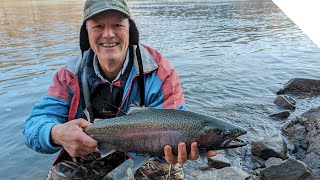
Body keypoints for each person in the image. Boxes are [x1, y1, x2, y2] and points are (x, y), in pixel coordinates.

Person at [23, 0, 216, 179]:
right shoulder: (69, 75)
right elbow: (33, 125)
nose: (108, 34)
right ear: (86, 33)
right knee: (60, 176)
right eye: (98, 26)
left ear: (130, 30)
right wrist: (56, 133)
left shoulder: (159, 71)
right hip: (95, 146)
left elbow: (177, 120)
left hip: (151, 149)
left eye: (117, 25)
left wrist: (178, 149)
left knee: (165, 170)